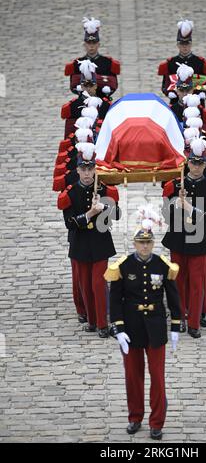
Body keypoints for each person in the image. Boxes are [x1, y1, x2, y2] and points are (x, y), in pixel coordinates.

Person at [105, 206, 182, 440]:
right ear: (135, 244)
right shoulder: (123, 266)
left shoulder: (162, 264)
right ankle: (135, 417)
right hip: (131, 329)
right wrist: (118, 329)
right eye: (141, 243)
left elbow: (173, 297)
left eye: (148, 242)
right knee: (133, 377)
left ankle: (157, 422)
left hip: (156, 328)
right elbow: (115, 300)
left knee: (157, 378)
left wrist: (176, 326)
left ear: (153, 243)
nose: (145, 247)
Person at [161, 140, 206, 338]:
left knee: (197, 283)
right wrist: (176, 204)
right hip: (178, 238)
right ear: (187, 163)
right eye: (193, 163)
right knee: (178, 281)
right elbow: (166, 215)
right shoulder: (175, 185)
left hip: (198, 241)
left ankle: (194, 322)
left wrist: (189, 208)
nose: (196, 167)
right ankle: (178, 319)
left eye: (200, 163)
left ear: (205, 165)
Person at [57, 144, 121, 338]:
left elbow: (117, 214)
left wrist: (104, 207)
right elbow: (70, 223)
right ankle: (92, 322)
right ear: (77, 170)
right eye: (83, 169)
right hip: (81, 245)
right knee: (85, 285)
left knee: (98, 285)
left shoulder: (104, 189)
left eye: (90, 169)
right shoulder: (70, 193)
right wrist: (90, 213)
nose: (87, 174)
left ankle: (103, 324)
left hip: (100, 243)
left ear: (95, 169)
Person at [158, 19, 206, 104]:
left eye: (187, 44)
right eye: (182, 44)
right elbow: (165, 84)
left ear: (191, 44)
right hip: (176, 101)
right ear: (177, 45)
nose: (185, 47)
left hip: (196, 102)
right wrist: (169, 92)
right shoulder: (171, 63)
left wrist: (203, 93)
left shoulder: (200, 62)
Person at [64, 17, 120, 99]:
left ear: (98, 45)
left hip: (103, 99)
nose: (91, 46)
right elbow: (73, 85)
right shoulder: (77, 63)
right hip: (83, 101)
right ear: (84, 45)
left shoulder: (107, 62)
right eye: (88, 43)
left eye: (94, 43)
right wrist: (101, 80)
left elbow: (113, 84)